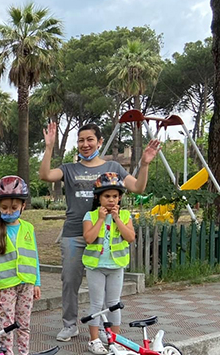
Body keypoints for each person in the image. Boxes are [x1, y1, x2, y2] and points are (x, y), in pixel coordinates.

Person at [39, 121, 159, 342]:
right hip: (74, 233)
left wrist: (144, 165)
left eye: (90, 139)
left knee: (103, 288)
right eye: (81, 140)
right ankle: (69, 325)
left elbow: (138, 188)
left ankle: (104, 328)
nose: (85, 144)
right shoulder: (69, 168)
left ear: (100, 142)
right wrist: (48, 148)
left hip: (104, 237)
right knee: (70, 281)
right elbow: (45, 175)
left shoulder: (113, 168)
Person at [0, 176, 41, 355]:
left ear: (23, 206)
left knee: (24, 324)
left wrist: (37, 282)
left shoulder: (28, 228)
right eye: (4, 207)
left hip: (26, 284)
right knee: (7, 326)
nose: (9, 211)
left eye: (13, 207)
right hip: (6, 286)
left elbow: (34, 255)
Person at [83, 173, 135, 355]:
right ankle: (94, 340)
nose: (111, 200)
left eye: (115, 196)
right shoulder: (90, 215)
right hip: (95, 267)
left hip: (116, 266)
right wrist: (100, 219)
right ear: (98, 198)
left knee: (114, 303)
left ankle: (114, 338)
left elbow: (130, 237)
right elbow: (89, 238)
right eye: (107, 196)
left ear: (120, 197)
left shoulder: (125, 215)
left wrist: (117, 219)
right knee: (96, 304)